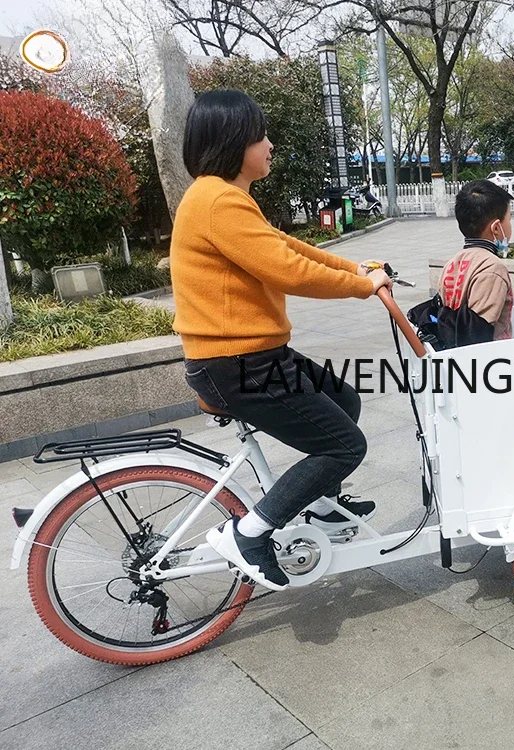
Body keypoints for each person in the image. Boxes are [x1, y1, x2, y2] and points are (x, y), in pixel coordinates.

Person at [170, 89, 393, 591]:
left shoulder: (224, 197)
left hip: (250, 356)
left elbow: (288, 246)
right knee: (344, 446)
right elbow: (289, 270)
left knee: (343, 397)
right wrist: (362, 286)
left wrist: (358, 266)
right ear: (234, 141)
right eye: (260, 135)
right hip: (236, 362)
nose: (269, 144)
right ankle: (249, 533)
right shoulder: (217, 200)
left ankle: (321, 507)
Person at [436, 179, 514, 343]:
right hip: (491, 360)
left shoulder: (452, 263)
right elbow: (478, 334)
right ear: (496, 228)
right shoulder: (492, 268)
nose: (510, 225)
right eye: (509, 219)